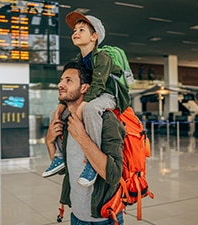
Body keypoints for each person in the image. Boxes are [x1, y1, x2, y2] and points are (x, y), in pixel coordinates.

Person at [42, 11, 130, 187]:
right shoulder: (78, 60)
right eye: (74, 30)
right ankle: (59, 156)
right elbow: (76, 85)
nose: (75, 32)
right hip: (93, 95)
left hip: (110, 94)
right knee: (56, 112)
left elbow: (97, 85)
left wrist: (81, 106)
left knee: (90, 109)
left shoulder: (102, 57)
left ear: (94, 36)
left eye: (81, 29)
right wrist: (61, 107)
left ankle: (92, 160)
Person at [45, 61, 125, 224]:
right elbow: (64, 170)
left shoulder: (106, 120)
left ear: (84, 88)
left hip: (103, 218)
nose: (60, 84)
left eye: (69, 80)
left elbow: (114, 175)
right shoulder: (66, 120)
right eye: (61, 80)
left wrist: (82, 136)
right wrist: (49, 142)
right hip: (76, 215)